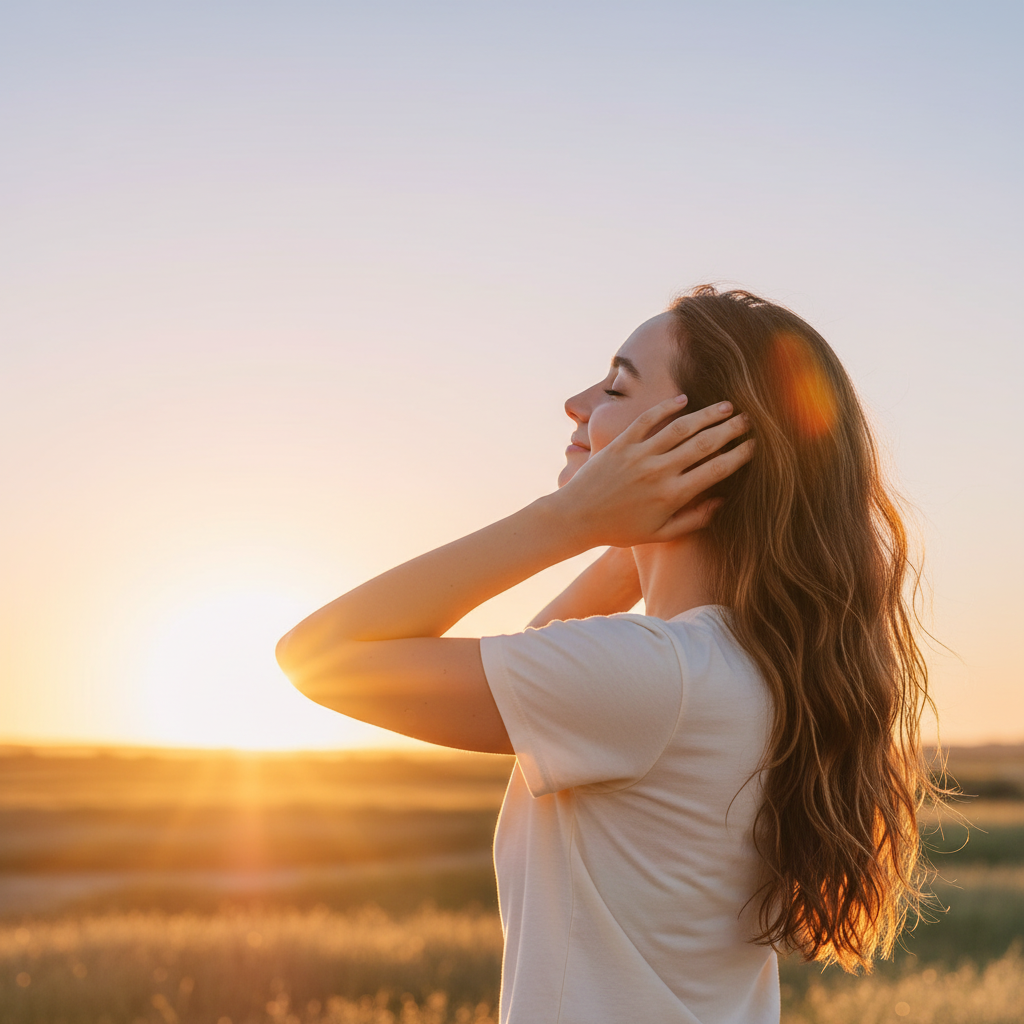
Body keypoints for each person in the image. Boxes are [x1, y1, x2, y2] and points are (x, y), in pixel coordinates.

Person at [275, 285, 936, 1024]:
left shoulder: (660, 676)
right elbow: (541, 663)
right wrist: (629, 552)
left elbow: (317, 655)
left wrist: (569, 519)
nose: (575, 401)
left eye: (617, 384)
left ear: (698, 445)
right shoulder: (746, 666)